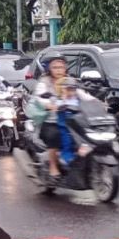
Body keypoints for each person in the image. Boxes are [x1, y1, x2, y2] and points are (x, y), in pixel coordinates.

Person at [28, 55, 72, 183]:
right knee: (54, 135)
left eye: (61, 67)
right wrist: (49, 105)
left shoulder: (70, 81)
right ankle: (53, 166)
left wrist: (96, 102)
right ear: (48, 69)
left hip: (70, 120)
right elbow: (40, 98)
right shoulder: (44, 83)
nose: (59, 70)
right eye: (55, 67)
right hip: (49, 121)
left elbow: (81, 94)